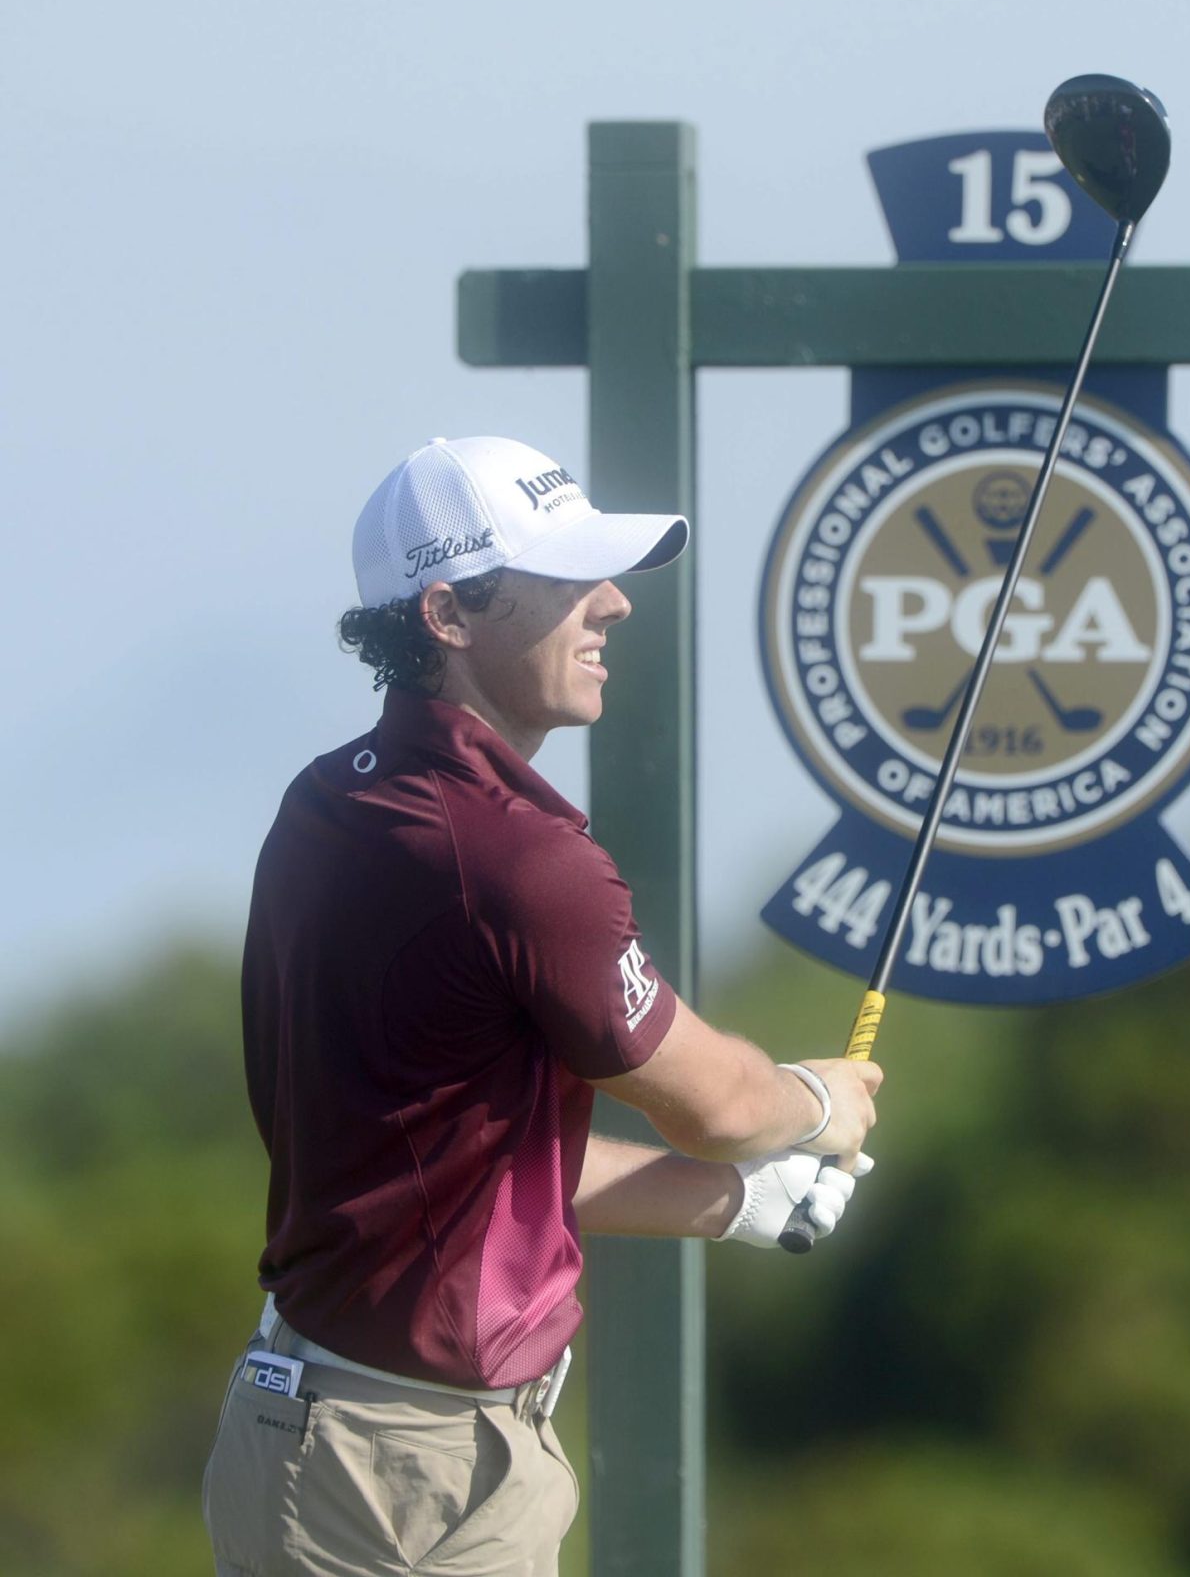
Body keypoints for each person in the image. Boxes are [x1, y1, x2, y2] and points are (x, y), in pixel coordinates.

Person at [202, 435, 882, 1577]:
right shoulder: (521, 862)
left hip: (351, 1443)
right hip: (404, 1474)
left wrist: (729, 1201)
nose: (613, 603)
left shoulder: (327, 802)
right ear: (449, 615)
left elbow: (449, 1158)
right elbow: (716, 1101)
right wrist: (816, 1102)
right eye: (570, 579)